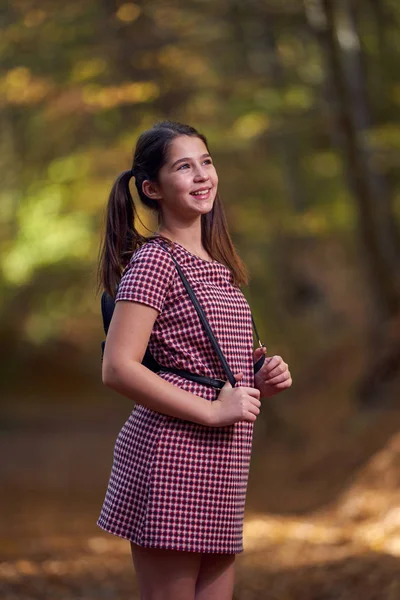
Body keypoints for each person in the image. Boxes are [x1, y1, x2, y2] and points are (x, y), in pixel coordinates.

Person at [97, 120, 292, 600]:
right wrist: (211, 409)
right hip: (173, 457)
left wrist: (258, 380)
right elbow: (119, 367)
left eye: (206, 161)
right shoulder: (154, 262)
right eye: (184, 167)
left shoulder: (218, 266)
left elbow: (206, 365)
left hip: (224, 461)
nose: (202, 175)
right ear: (152, 188)